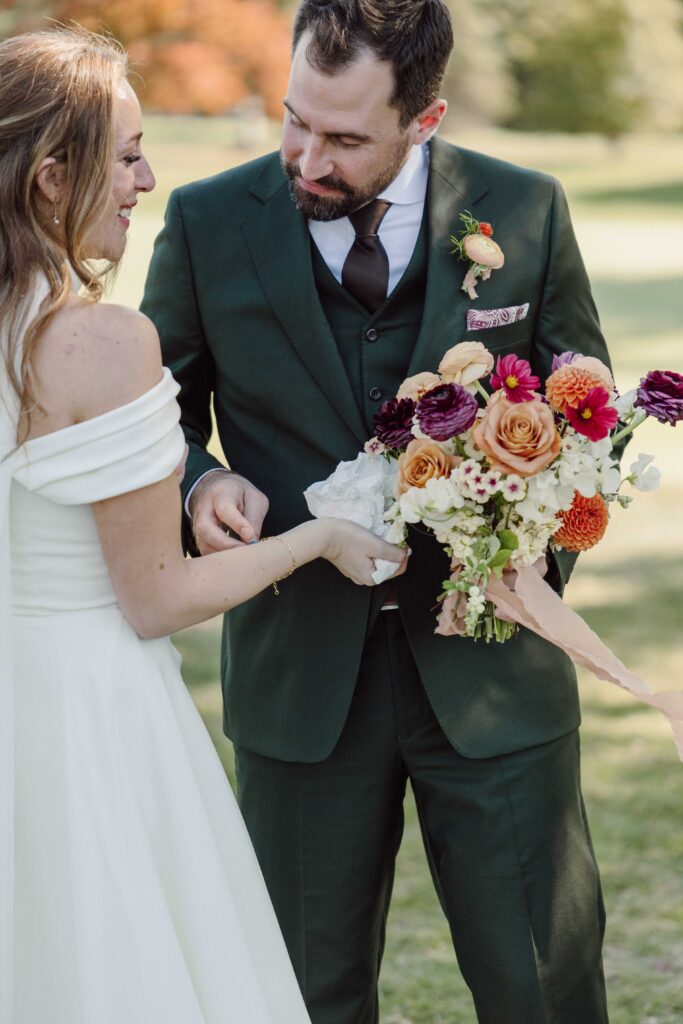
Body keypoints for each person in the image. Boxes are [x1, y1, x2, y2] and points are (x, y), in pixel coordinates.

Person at [141, 2, 613, 1021]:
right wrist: (197, 480)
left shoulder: (522, 207)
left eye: (345, 138)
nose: (305, 155)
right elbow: (153, 415)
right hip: (297, 674)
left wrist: (520, 555)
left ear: (425, 119)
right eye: (293, 118)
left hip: (493, 674)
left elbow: (585, 406)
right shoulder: (207, 218)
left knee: (544, 980)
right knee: (300, 989)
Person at [0, 25, 407, 1024]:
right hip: (85, 717)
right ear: (52, 178)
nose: (145, 180)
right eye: (128, 154)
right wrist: (315, 537)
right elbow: (155, 600)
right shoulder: (102, 339)